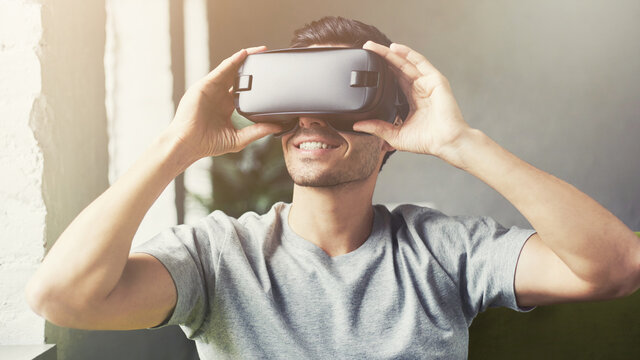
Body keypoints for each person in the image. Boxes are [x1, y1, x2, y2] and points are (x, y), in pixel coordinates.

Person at [25, 16, 639, 359]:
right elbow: (62, 298)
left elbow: (616, 267)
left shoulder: (444, 250)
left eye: (341, 98)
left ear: (393, 127)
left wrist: (461, 141)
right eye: (297, 101)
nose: (312, 120)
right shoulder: (219, 255)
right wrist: (177, 146)